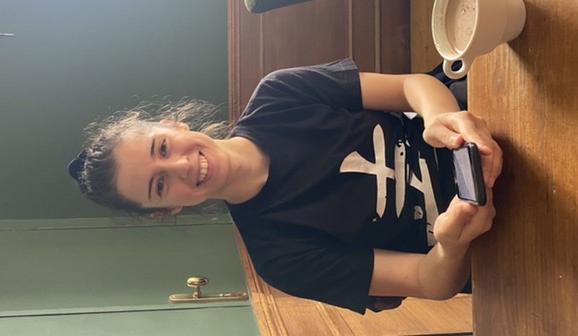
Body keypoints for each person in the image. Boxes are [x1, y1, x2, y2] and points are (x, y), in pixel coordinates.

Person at [68, 58, 502, 314]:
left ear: (173, 125)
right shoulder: (279, 259)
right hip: (494, 240)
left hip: (487, 127)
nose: (182, 165)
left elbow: (413, 86)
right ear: (167, 211)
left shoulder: (280, 94)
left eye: (162, 147)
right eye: (160, 186)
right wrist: (452, 245)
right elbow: (431, 281)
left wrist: (440, 118)